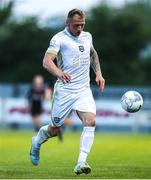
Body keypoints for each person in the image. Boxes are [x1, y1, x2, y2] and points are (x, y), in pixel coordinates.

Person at [30, 9, 105, 175]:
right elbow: (46, 61)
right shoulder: (59, 39)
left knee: (91, 121)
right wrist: (59, 73)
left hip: (83, 89)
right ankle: (36, 142)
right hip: (65, 90)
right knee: (54, 130)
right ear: (67, 23)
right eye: (76, 25)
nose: (80, 28)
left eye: (82, 25)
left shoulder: (87, 36)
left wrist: (98, 73)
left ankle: (81, 162)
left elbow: (92, 54)